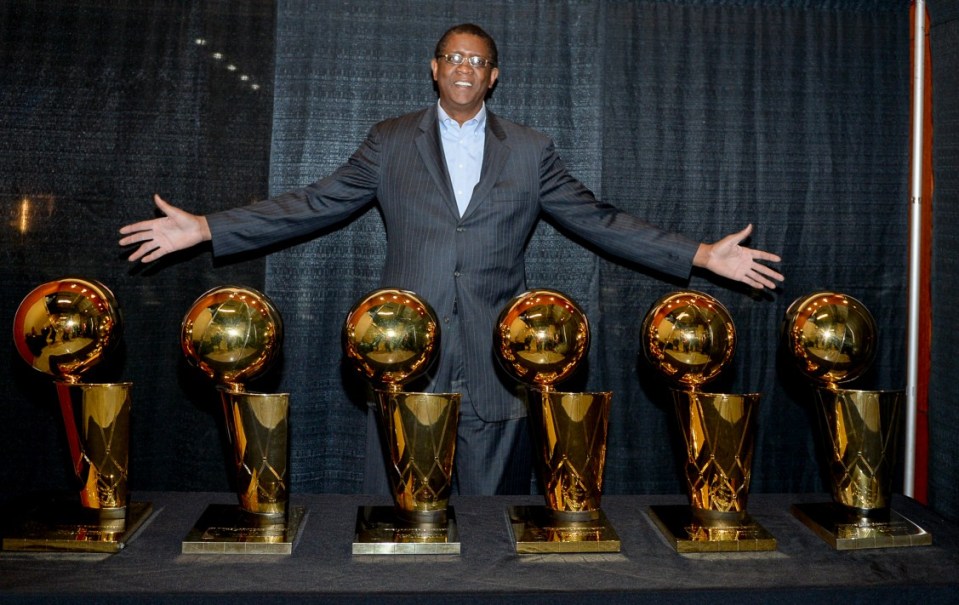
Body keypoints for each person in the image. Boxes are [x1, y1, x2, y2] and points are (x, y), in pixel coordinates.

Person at [119, 23, 783, 496]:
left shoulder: (531, 149)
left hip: (501, 366)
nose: (465, 67)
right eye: (452, 57)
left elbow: (597, 219)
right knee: (398, 529)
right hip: (402, 360)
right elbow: (314, 202)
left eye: (478, 59)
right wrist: (206, 227)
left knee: (492, 535)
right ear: (433, 69)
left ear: (493, 76)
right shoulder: (387, 142)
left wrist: (700, 254)